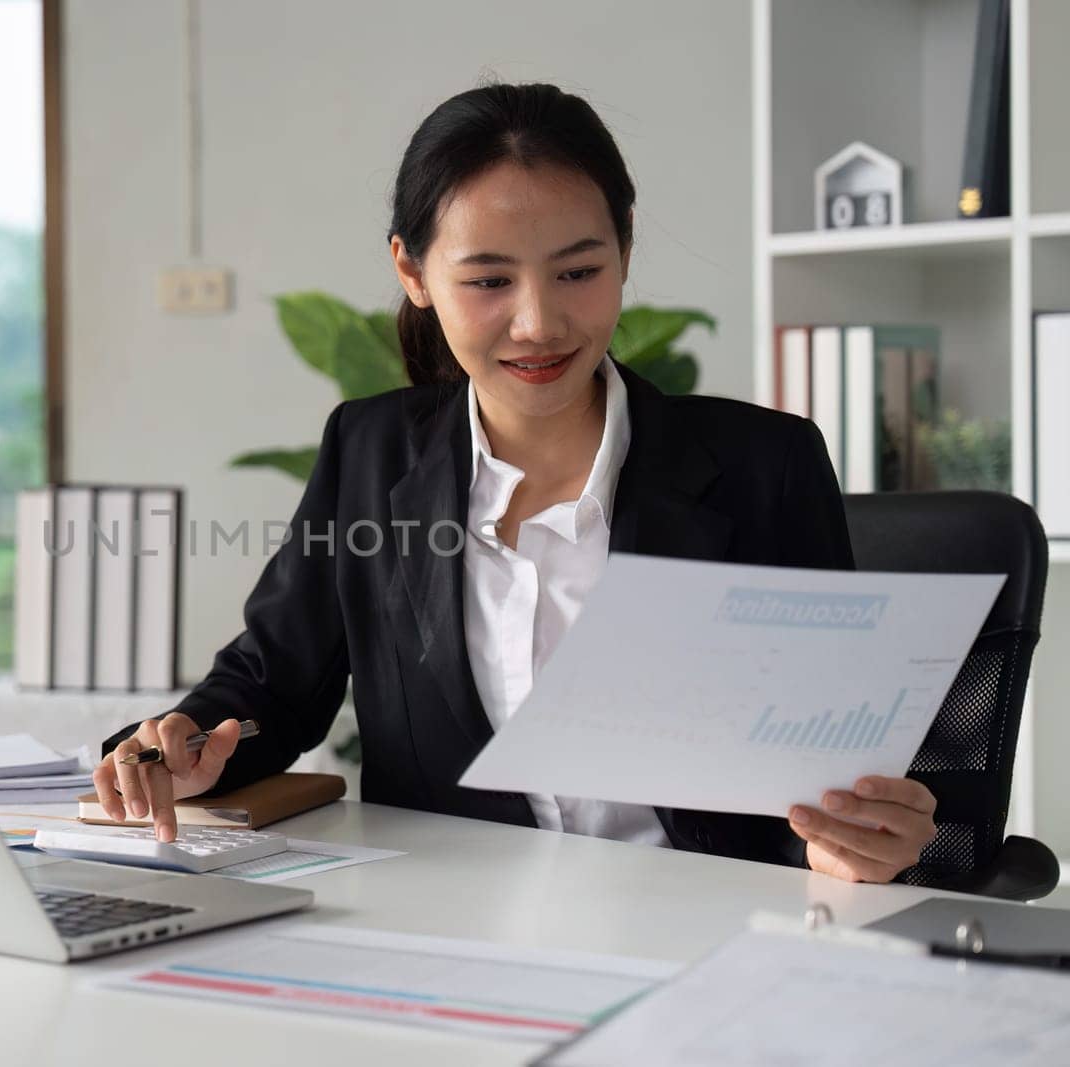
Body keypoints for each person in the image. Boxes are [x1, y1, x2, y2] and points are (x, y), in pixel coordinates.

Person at [91, 82, 937, 884]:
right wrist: (185, 745)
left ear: (626, 248)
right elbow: (271, 683)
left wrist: (861, 844)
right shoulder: (370, 452)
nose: (539, 322)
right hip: (455, 932)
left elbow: (835, 763)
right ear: (413, 271)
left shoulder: (766, 468)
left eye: (578, 271)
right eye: (490, 280)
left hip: (702, 932)